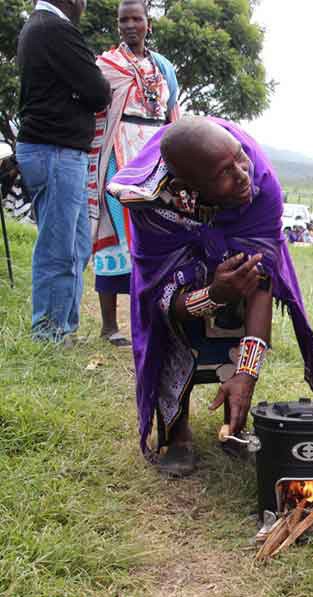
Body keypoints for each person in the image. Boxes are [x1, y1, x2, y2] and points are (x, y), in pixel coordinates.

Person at [108, 117, 313, 476]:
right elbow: (160, 295)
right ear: (186, 187)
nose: (242, 174)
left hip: (231, 267)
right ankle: (177, 433)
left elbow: (262, 281)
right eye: (224, 173)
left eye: (239, 158)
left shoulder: (261, 184)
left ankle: (233, 422)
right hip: (181, 282)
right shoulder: (150, 203)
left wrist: (248, 371)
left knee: (241, 287)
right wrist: (211, 295)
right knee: (170, 322)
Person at [16, 0, 111, 342]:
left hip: (55, 151)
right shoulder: (54, 29)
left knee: (76, 245)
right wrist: (87, 92)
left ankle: (64, 327)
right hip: (54, 150)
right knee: (58, 248)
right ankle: (48, 332)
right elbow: (99, 92)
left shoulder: (38, 27)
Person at [87, 0, 180, 346]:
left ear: (148, 23)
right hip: (118, 156)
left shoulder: (164, 68)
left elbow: (173, 112)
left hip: (156, 155)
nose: (129, 25)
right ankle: (109, 325)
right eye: (123, 20)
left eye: (135, 18)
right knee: (117, 231)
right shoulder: (106, 65)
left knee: (157, 232)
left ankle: (156, 319)